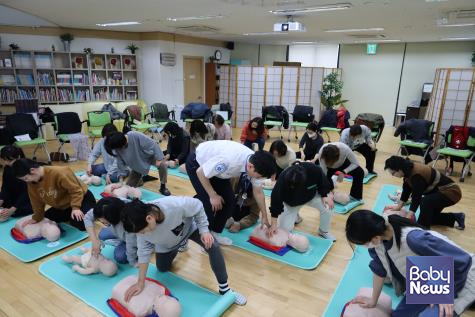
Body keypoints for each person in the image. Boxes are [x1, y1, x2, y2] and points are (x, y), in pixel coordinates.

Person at [346, 210, 475, 317]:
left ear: (374, 238)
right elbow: (380, 270)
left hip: (461, 276)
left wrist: (442, 293)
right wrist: (373, 301)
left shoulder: (414, 239)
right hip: (429, 278)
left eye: (362, 243)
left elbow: (462, 260)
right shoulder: (378, 241)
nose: (364, 246)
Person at [120, 198, 247, 305]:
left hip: (189, 231)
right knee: (162, 268)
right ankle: (178, 245)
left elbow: (197, 205)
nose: (142, 234)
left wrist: (204, 230)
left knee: (212, 245)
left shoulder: (174, 205)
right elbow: (143, 252)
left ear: (149, 218)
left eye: (143, 231)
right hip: (166, 245)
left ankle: (225, 289)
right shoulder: (139, 226)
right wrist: (140, 282)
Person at [186, 140, 276, 245]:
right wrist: (213, 195)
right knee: (209, 203)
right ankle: (205, 240)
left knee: (229, 201)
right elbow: (201, 172)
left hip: (219, 171)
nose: (258, 179)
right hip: (198, 164)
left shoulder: (257, 165)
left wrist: (264, 216)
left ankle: (214, 234)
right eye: (258, 177)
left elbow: (258, 192)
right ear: (250, 166)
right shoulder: (229, 161)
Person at [12, 158, 96, 231]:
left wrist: (76, 207)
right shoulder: (31, 181)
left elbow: (76, 190)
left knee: (81, 224)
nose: (26, 181)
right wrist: (37, 218)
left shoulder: (59, 172)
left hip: (82, 199)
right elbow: (36, 201)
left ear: (32, 170)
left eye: (26, 178)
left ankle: (93, 209)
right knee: (46, 218)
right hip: (63, 206)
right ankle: (70, 215)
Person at [384, 156, 465, 230]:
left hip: (451, 192)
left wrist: (408, 217)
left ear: (399, 169)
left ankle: (422, 230)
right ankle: (457, 217)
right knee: (428, 217)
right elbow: (406, 189)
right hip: (438, 191)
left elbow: (416, 196)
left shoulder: (416, 174)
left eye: (393, 173)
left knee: (425, 202)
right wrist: (399, 207)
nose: (393, 175)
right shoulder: (407, 170)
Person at [269, 162, 336, 241]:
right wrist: (273, 224)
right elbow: (276, 200)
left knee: (328, 207)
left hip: (311, 196)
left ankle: (323, 231)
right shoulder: (283, 177)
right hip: (292, 203)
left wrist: (325, 195)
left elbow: (323, 182)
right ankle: (296, 216)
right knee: (284, 232)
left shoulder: (314, 170)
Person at [104, 131, 171, 196]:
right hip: (137, 166)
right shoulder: (118, 149)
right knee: (128, 189)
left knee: (163, 164)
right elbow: (120, 165)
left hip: (150, 156)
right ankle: (141, 180)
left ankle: (163, 186)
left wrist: (159, 159)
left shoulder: (134, 135)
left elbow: (153, 144)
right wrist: (120, 182)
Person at [83, 197, 137, 265]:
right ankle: (121, 238)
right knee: (102, 235)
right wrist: (94, 241)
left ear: (112, 217)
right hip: (121, 231)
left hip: (135, 239)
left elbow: (131, 244)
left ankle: (124, 241)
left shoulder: (129, 223)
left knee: (120, 257)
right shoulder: (108, 207)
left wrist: (132, 262)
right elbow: (87, 217)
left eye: (103, 220)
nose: (100, 221)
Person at [0, 146, 33, 222]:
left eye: (10, 160)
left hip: (27, 198)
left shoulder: (26, 168)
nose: (6, 163)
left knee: (27, 209)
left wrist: (13, 208)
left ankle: (12, 211)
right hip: (13, 196)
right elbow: (5, 186)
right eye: (4, 160)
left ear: (18, 157)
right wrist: (1, 199)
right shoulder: (7, 168)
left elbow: (26, 192)